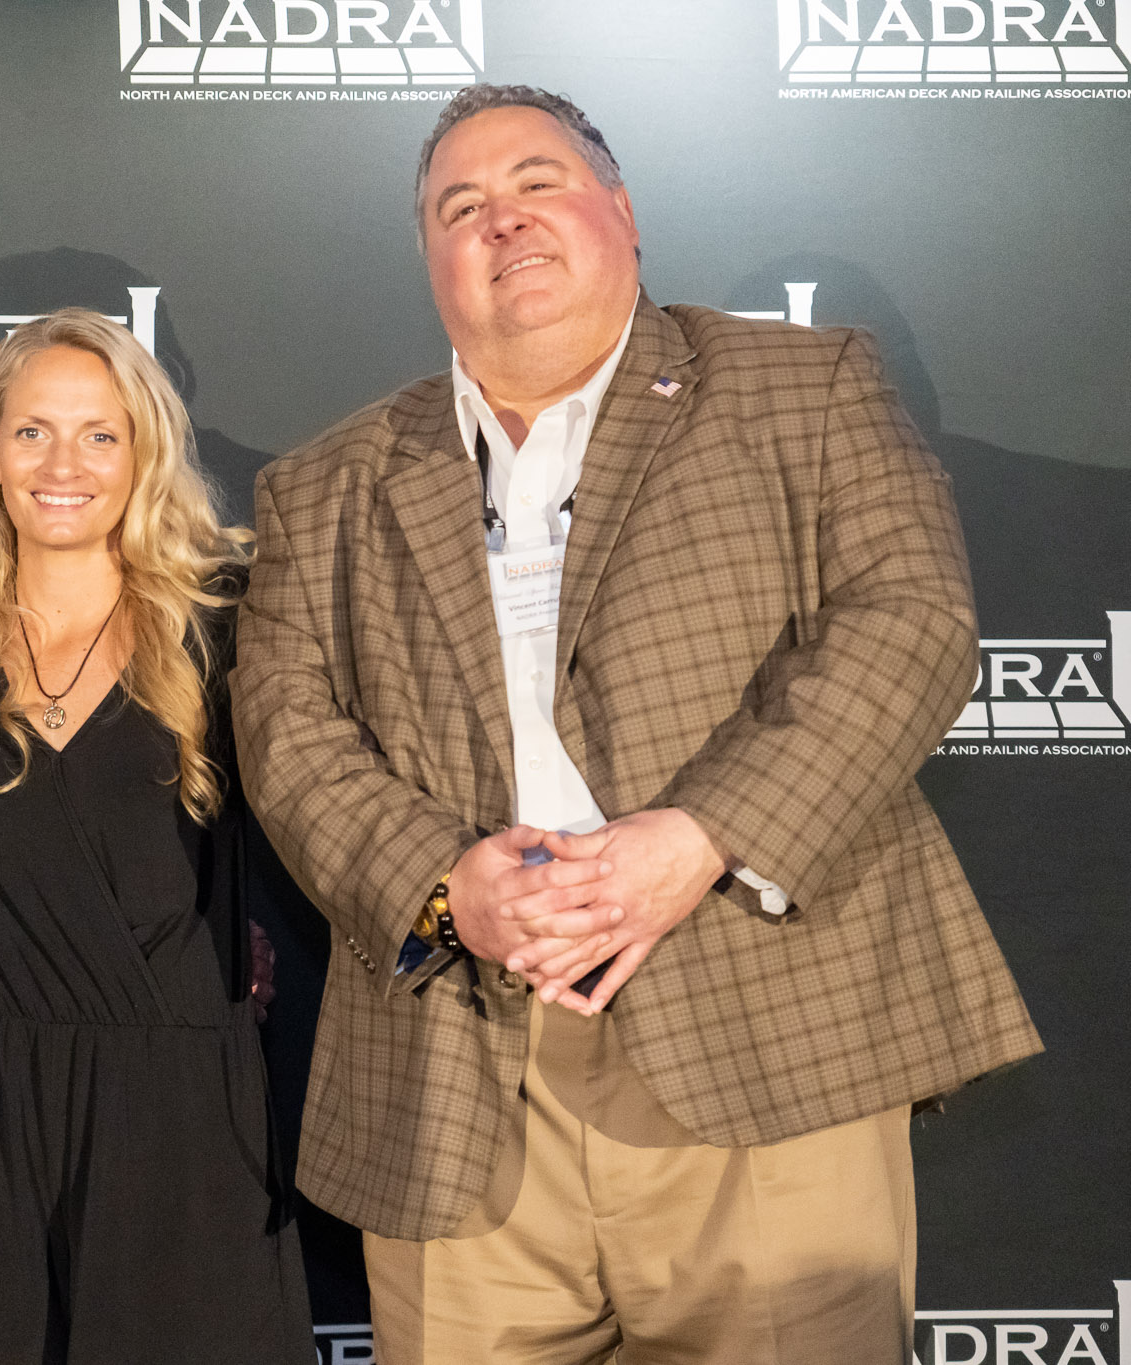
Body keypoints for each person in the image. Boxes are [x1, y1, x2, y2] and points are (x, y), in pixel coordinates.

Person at [230, 84, 1042, 1364]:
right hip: (456, 1081)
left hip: (765, 1041)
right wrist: (444, 887)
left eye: (535, 183)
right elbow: (286, 729)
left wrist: (699, 838)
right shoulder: (322, 484)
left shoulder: (801, 386)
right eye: (458, 207)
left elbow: (909, 620)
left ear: (621, 210)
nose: (500, 221)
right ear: (430, 259)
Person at [0, 309, 314, 1364]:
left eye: (99, 434)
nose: (62, 465)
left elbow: (319, 815)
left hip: (179, 1105)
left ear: (142, 454)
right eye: (31, 431)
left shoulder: (227, 622)